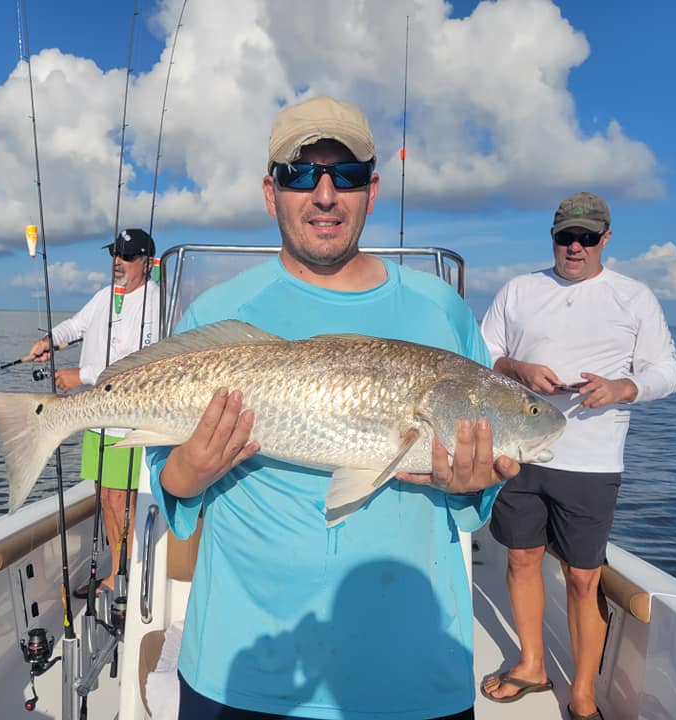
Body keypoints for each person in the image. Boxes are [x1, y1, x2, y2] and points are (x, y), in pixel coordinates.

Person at [146, 95, 521, 720]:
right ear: (271, 193)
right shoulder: (215, 315)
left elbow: (470, 500)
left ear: (371, 190)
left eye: (345, 175)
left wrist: (473, 483)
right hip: (242, 671)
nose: (325, 195)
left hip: (412, 678)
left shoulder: (442, 311)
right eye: (300, 174)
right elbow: (171, 481)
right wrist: (192, 466)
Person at [479, 192, 676, 720]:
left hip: (591, 464)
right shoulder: (519, 290)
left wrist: (621, 388)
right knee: (520, 558)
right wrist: (519, 370)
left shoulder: (633, 298)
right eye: (565, 236)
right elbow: (482, 355)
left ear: (605, 239)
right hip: (518, 452)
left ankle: (585, 693)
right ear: (552, 237)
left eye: (586, 238)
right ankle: (531, 664)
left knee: (583, 576)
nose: (574, 246)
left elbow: (667, 371)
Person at [29, 227, 160, 597]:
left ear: (147, 264)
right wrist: (51, 340)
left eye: (127, 256)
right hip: (98, 420)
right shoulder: (106, 295)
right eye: (114, 254)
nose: (117, 262)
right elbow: (77, 325)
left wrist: (80, 375)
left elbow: (133, 363)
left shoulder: (156, 303)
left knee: (124, 500)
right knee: (106, 496)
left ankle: (125, 576)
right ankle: (120, 571)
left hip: (130, 421)